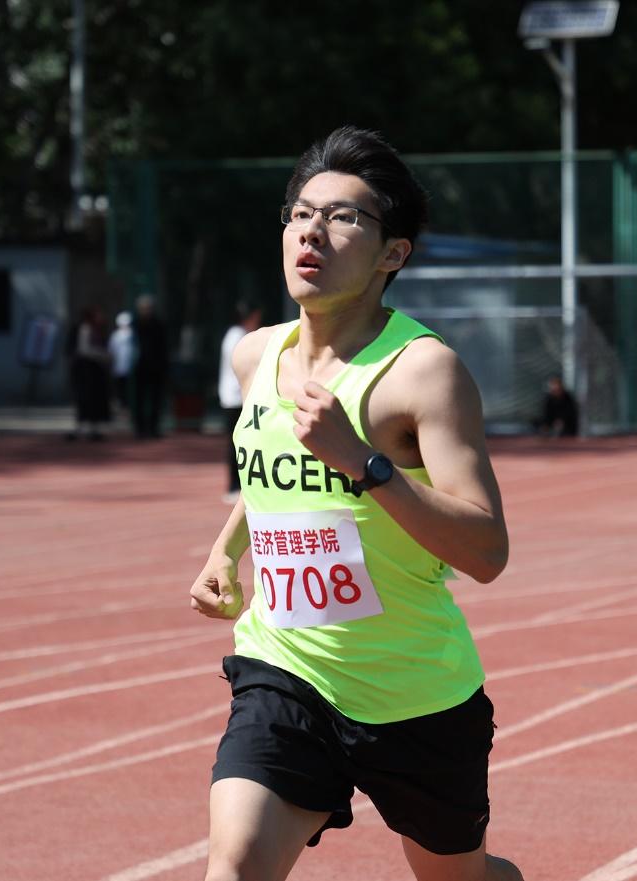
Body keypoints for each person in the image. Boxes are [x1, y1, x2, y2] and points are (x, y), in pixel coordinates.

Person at [188, 126, 523, 881]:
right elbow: (276, 476)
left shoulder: (422, 372)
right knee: (233, 867)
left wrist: (364, 463)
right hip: (285, 667)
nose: (312, 231)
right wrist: (225, 550)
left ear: (391, 254)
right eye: (300, 213)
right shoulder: (255, 356)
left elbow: (486, 550)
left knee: (460, 878)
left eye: (343, 218)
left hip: (416, 692)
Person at [218, 300, 263, 502]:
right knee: (238, 443)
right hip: (235, 397)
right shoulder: (239, 337)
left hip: (234, 396)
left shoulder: (236, 334)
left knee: (240, 442)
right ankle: (234, 486)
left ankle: (238, 486)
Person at [66, 305, 112, 441]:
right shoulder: (85, 329)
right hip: (86, 371)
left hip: (91, 371)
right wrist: (103, 355)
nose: (101, 318)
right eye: (98, 315)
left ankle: (90, 428)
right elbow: (84, 350)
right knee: (86, 399)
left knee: (92, 400)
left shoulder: (95, 330)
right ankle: (84, 428)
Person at [131, 294, 169, 439]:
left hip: (156, 368)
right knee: (139, 399)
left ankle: (153, 428)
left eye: (148, 308)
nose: (146, 311)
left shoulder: (158, 325)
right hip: (139, 367)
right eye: (143, 308)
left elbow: (163, 347)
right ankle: (140, 429)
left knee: (155, 399)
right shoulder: (135, 325)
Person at [109, 310, 137, 433]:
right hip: (119, 368)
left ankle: (129, 412)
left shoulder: (133, 334)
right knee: (121, 392)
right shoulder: (116, 336)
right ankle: (123, 412)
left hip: (130, 368)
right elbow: (111, 351)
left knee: (128, 391)